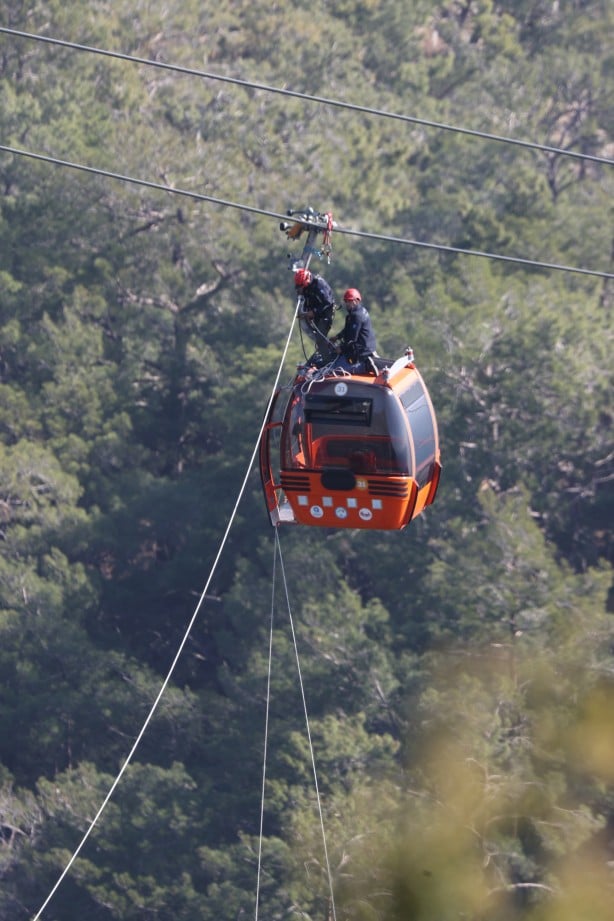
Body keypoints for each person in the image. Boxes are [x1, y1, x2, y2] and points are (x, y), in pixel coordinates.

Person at [329, 288, 378, 374]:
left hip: (362, 352)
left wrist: (341, 348)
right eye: (346, 301)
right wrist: (337, 337)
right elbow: (348, 330)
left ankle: (365, 366)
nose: (347, 303)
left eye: (349, 301)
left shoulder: (356, 316)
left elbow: (352, 340)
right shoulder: (357, 312)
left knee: (336, 370)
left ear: (356, 301)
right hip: (365, 348)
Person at [294, 268, 337, 363]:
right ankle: (327, 350)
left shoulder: (319, 284)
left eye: (301, 286)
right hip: (315, 313)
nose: (301, 288)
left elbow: (328, 302)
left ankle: (328, 361)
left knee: (320, 338)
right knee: (317, 337)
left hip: (326, 312)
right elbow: (308, 300)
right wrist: (306, 313)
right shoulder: (306, 287)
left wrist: (314, 312)